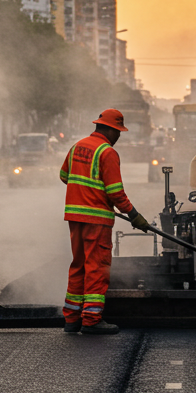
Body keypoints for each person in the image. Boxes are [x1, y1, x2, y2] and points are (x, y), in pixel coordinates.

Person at [59, 109, 150, 335]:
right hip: (96, 220)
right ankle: (91, 320)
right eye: (118, 131)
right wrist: (134, 215)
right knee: (96, 268)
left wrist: (84, 192)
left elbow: (64, 176)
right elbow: (115, 193)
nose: (119, 136)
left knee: (78, 265)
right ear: (110, 129)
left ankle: (71, 319)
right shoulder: (107, 152)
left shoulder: (77, 146)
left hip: (75, 217)